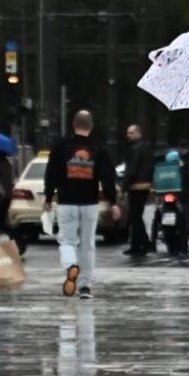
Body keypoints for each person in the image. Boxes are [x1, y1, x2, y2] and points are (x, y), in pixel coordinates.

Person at [43, 110, 119, 299]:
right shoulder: (98, 148)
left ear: (73, 124)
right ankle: (85, 287)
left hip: (66, 202)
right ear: (91, 126)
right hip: (90, 203)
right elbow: (108, 177)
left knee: (67, 241)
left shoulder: (60, 147)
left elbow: (51, 173)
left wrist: (48, 197)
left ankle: (71, 266)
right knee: (88, 245)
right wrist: (113, 202)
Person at [121, 124, 154, 257]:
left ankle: (144, 243)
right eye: (128, 133)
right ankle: (136, 245)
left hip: (136, 185)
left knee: (135, 216)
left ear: (138, 133)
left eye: (131, 133)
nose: (128, 135)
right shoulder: (146, 147)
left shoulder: (135, 149)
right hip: (144, 185)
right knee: (136, 215)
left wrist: (124, 185)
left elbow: (132, 169)